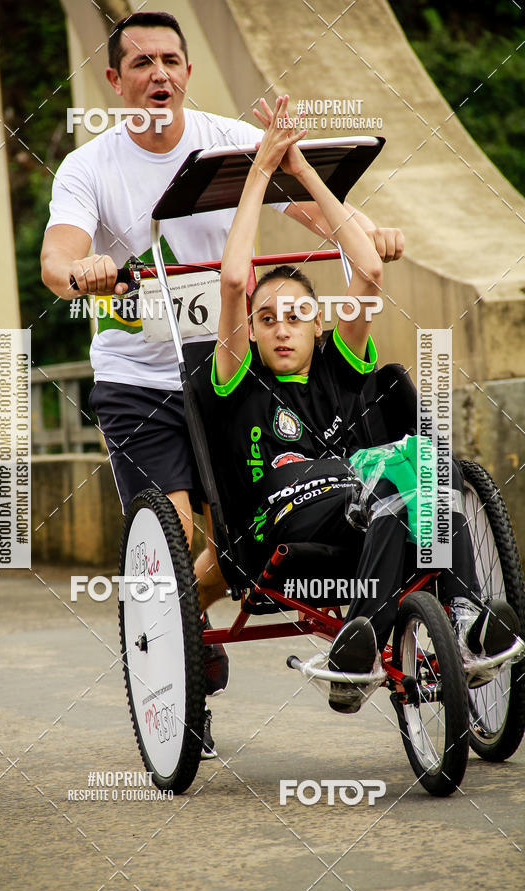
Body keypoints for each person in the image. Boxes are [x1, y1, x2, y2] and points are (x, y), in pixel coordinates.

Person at [41, 10, 404, 749]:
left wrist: (368, 230)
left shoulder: (229, 141)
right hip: (139, 379)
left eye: (170, 61)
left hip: (228, 368)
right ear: (114, 81)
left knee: (237, 541)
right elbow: (57, 259)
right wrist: (84, 271)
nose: (159, 75)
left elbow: (314, 211)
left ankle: (183, 622)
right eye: (141, 63)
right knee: (174, 532)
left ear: (188, 71)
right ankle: (179, 657)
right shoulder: (89, 166)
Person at [209, 95, 520, 712]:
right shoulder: (239, 378)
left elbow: (370, 269)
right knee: (394, 491)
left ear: (317, 322)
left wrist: (302, 168)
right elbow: (235, 280)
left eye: (295, 315)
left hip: (368, 498)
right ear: (253, 330)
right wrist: (261, 169)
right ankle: (364, 650)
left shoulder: (337, 362)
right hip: (287, 518)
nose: (281, 328)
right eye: (266, 319)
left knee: (427, 491)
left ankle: (458, 630)